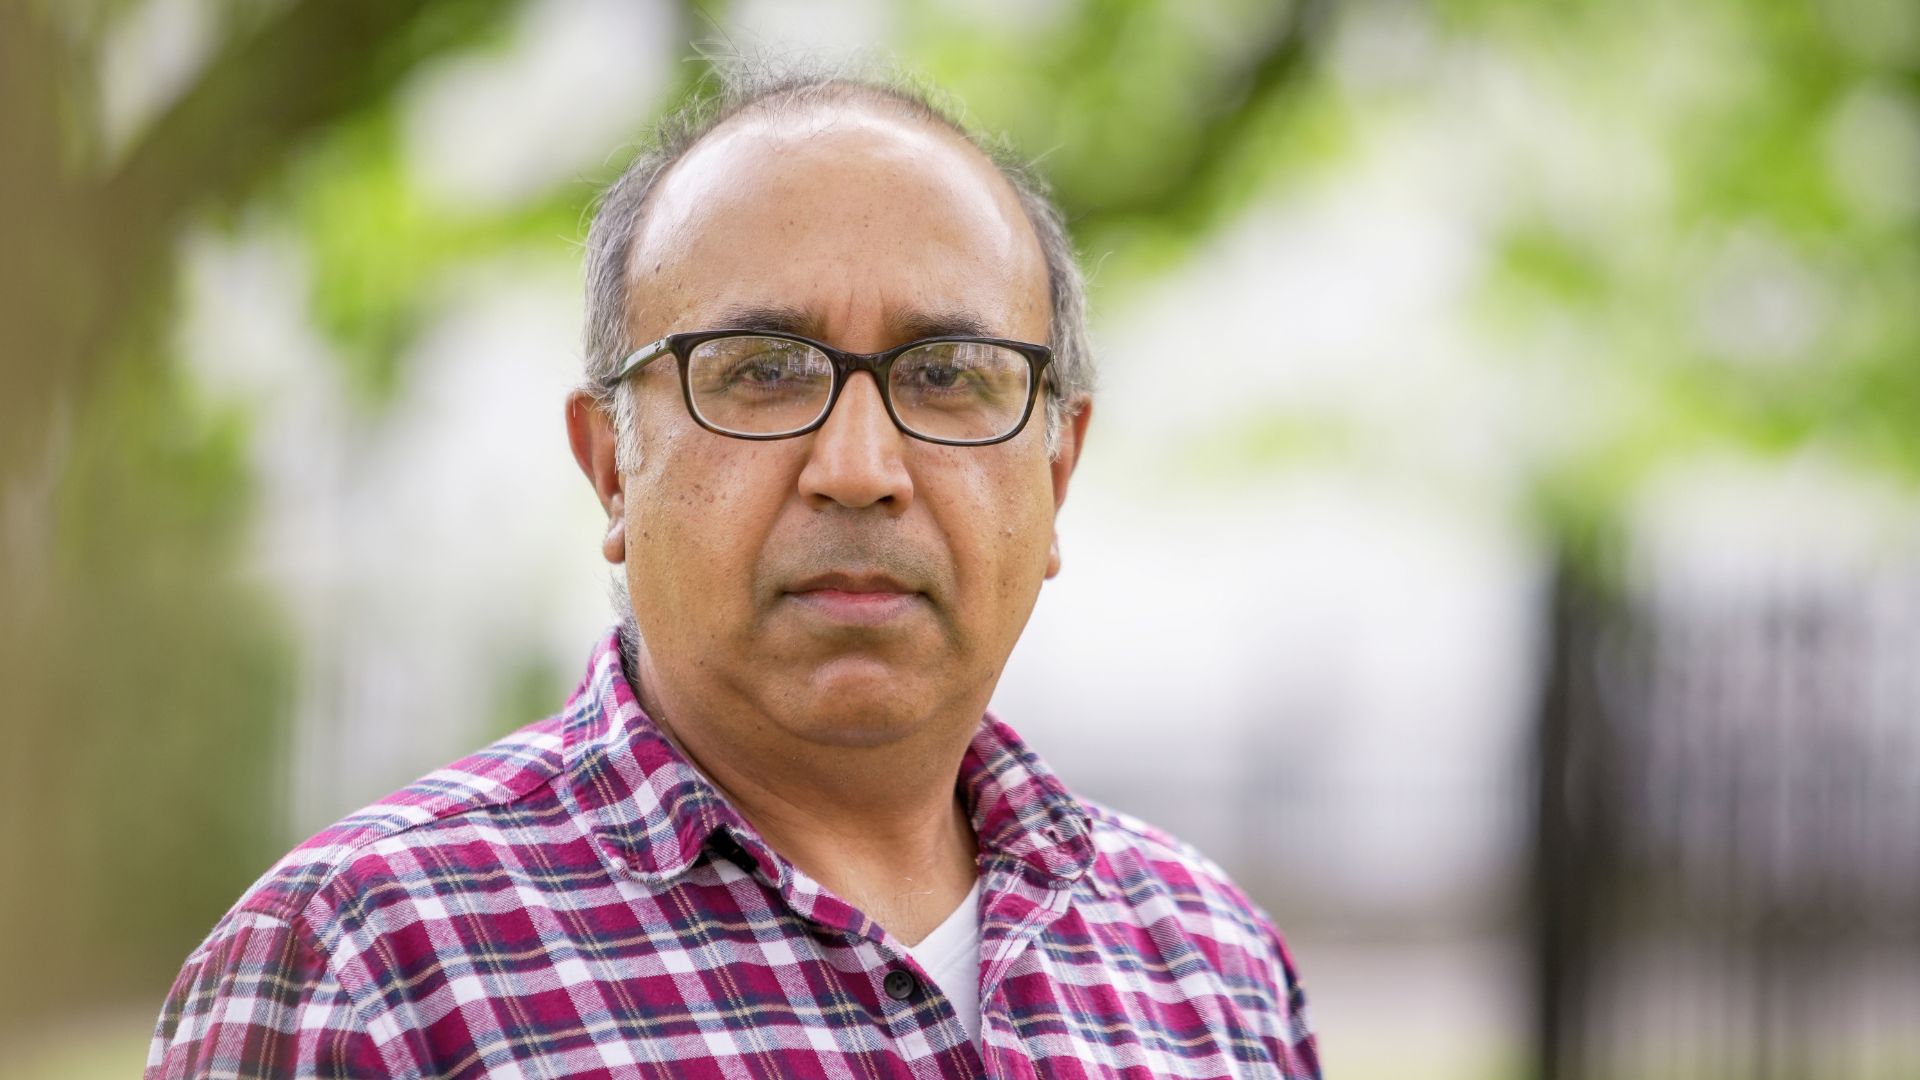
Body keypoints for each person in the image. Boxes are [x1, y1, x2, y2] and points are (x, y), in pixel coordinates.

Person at [148, 67, 1321, 1079]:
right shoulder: (361, 972)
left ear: (1056, 473)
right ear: (612, 465)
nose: (859, 469)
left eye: (947, 373)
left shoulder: (1212, 966)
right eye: (762, 370)